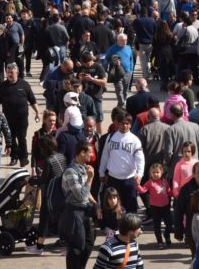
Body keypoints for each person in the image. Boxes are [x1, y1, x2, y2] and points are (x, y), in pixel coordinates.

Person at [26, 136, 67, 256]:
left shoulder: (48, 161)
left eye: (41, 147)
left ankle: (39, 247)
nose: (40, 150)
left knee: (44, 221)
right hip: (62, 194)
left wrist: (30, 181)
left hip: (50, 195)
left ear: (45, 148)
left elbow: (43, 180)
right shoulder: (61, 156)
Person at [59, 141, 97, 269]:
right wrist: (90, 179)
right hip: (73, 213)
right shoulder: (71, 172)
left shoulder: (84, 168)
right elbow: (80, 195)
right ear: (82, 153)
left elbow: (86, 192)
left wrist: (96, 204)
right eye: (89, 152)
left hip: (85, 211)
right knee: (77, 247)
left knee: (89, 243)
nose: (91, 155)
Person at [98, 112, 145, 216]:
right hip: (113, 178)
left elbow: (140, 159)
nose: (125, 126)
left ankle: (132, 229)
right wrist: (101, 172)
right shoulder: (110, 137)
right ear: (118, 124)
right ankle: (114, 229)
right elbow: (105, 155)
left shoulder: (135, 140)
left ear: (131, 124)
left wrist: (140, 174)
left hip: (129, 179)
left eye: (127, 123)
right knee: (112, 206)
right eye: (123, 123)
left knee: (131, 207)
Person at [0, 62, 40, 167]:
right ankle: (14, 157)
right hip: (7, 118)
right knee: (10, 138)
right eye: (8, 72)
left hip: (22, 118)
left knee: (22, 138)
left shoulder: (24, 85)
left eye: (12, 72)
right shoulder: (2, 86)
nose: (10, 75)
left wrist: (38, 112)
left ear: (17, 72)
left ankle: (23, 158)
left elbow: (32, 100)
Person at [136, 163, 174, 248]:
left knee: (169, 224)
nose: (156, 174)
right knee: (157, 226)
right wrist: (137, 185)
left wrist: (175, 193)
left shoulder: (164, 182)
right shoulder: (150, 183)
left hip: (165, 207)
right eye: (153, 172)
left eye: (157, 172)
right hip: (155, 208)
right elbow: (143, 190)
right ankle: (160, 242)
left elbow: (169, 192)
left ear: (161, 173)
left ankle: (166, 235)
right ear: (150, 174)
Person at [163, 104, 199, 178]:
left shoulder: (170, 130)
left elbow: (168, 153)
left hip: (177, 168)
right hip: (194, 165)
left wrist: (168, 164)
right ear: (182, 113)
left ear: (172, 114)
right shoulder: (195, 126)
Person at [104, 33, 135, 107]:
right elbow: (106, 59)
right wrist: (113, 62)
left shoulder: (128, 47)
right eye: (122, 40)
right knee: (119, 90)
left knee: (125, 90)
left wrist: (131, 69)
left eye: (125, 40)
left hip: (127, 72)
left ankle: (120, 105)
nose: (124, 42)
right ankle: (122, 104)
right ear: (118, 40)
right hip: (117, 73)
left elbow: (131, 59)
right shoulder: (112, 48)